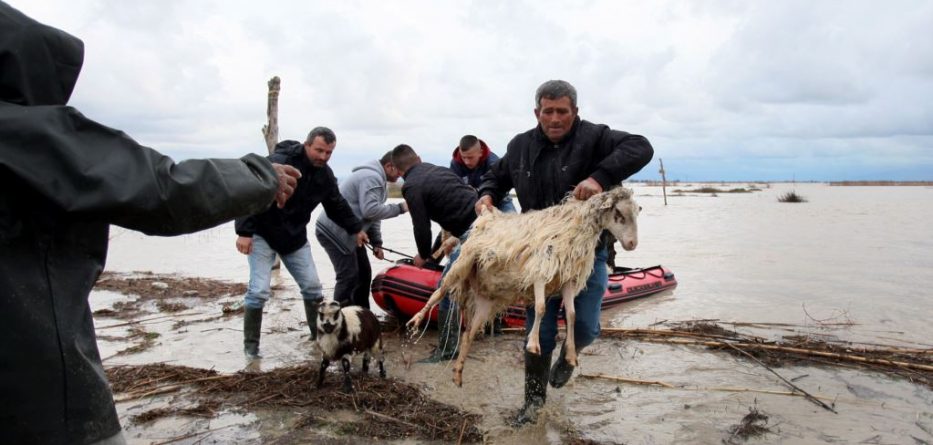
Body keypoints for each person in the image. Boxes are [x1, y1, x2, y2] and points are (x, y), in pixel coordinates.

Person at [0, 3, 302, 444]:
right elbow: (163, 189)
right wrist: (259, 178)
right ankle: (251, 350)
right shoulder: (29, 135)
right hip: (41, 400)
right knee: (257, 291)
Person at [476, 79, 654, 425]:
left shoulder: (596, 137)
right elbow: (496, 178)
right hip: (539, 257)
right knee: (539, 332)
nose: (555, 118)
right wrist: (486, 194)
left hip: (588, 254)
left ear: (575, 112)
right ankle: (533, 402)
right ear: (537, 112)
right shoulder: (521, 145)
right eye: (548, 111)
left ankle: (568, 357)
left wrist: (599, 178)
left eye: (562, 111)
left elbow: (641, 147)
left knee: (586, 327)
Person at [235, 127, 368, 359]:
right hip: (261, 234)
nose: (323, 157)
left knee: (313, 287)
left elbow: (336, 205)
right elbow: (249, 189)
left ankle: (318, 341)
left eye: (329, 153)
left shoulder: (325, 175)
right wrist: (243, 231)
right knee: (258, 291)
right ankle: (251, 352)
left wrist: (356, 229)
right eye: (319, 150)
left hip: (294, 238)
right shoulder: (280, 162)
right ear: (307, 145)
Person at [391, 144, 478, 362]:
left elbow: (421, 226)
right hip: (485, 222)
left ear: (399, 171)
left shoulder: (411, 186)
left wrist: (422, 255)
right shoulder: (438, 169)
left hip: (473, 235)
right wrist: (432, 257)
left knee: (446, 290)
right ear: (418, 157)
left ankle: (448, 351)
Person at [315, 151, 408, 309]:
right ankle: (337, 319)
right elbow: (370, 211)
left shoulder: (378, 180)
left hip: (352, 234)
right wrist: (401, 207)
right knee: (348, 276)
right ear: (389, 166)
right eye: (399, 170)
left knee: (364, 273)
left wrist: (377, 242)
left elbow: (373, 216)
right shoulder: (371, 177)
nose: (400, 175)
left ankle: (362, 315)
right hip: (333, 232)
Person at [449, 134, 516, 213]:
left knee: (513, 222)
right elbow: (452, 189)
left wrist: (478, 191)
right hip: (469, 201)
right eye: (463, 157)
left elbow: (501, 185)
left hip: (499, 198)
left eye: (470, 157)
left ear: (480, 152)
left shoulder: (493, 162)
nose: (466, 162)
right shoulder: (455, 164)